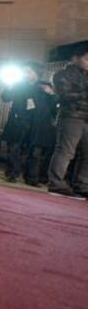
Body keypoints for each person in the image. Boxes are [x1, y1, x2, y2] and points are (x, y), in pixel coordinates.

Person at [1, 63, 56, 184]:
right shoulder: (18, 85)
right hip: (18, 120)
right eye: (24, 71)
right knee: (14, 148)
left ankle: (32, 178)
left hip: (39, 123)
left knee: (35, 152)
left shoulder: (45, 86)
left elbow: (54, 107)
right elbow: (5, 97)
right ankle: (12, 173)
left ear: (37, 73)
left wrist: (51, 94)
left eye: (29, 71)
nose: (26, 74)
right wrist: (9, 85)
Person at [47, 46, 88, 198]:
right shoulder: (62, 74)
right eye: (87, 58)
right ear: (75, 58)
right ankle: (56, 183)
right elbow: (63, 96)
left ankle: (82, 185)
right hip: (71, 116)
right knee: (65, 151)